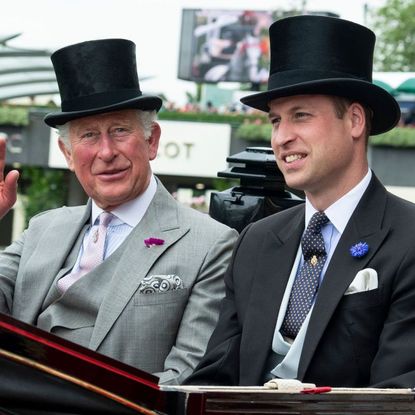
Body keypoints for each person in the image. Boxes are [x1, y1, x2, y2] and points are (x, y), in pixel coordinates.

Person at [186, 15, 415, 388]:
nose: (281, 138)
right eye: (276, 121)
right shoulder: (256, 241)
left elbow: (395, 397)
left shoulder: (409, 237)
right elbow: (216, 378)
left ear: (355, 120)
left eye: (301, 116)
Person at [0, 38, 238, 385]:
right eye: (89, 136)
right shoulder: (42, 229)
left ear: (152, 140)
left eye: (120, 130)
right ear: (67, 153)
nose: (106, 151)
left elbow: (184, 378)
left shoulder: (210, 244)